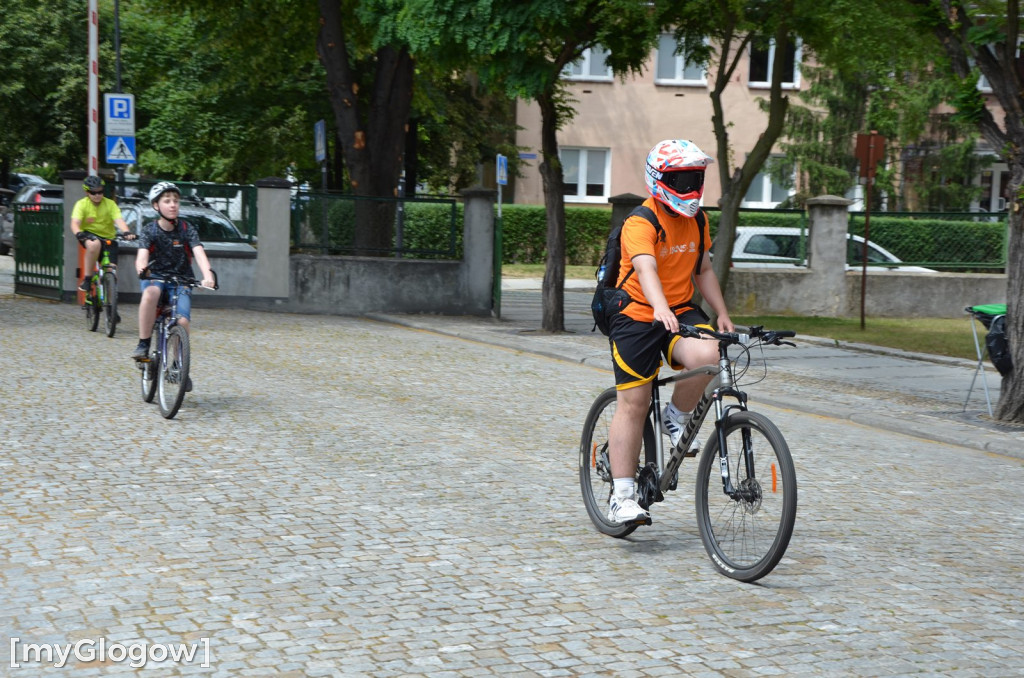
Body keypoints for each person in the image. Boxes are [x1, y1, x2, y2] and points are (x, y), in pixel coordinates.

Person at [605, 139, 735, 526]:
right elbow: (645, 269)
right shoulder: (640, 222)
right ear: (660, 180)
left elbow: (704, 270)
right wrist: (658, 307)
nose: (690, 187)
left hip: (678, 310)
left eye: (695, 178)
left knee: (712, 354)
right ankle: (621, 495)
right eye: (680, 179)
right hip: (636, 313)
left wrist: (722, 313)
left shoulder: (698, 220)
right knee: (634, 402)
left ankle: (676, 415)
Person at [132, 182, 216, 387]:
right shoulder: (150, 230)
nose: (172, 205)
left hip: (181, 280)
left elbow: (199, 253)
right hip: (156, 277)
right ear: (156, 206)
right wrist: (142, 269)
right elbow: (141, 257)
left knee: (183, 322)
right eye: (167, 201)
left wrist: (208, 275)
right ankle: (143, 344)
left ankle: (179, 366)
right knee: (150, 294)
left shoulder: (187, 229)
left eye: (176, 201)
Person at [70, 175, 137, 290]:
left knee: (112, 270)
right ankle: (87, 279)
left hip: (108, 238)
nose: (97, 195)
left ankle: (109, 301)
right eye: (93, 193)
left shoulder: (110, 204)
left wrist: (126, 231)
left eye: (100, 192)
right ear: (87, 192)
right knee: (94, 243)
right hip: (89, 235)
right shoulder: (81, 204)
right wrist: (78, 233)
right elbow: (75, 223)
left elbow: (119, 220)